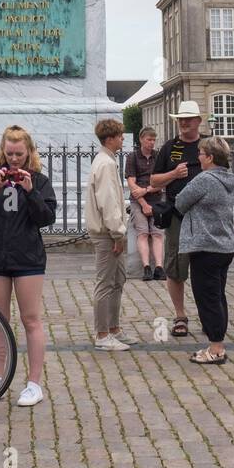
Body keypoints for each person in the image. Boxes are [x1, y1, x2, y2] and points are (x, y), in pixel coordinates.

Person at [0, 124, 57, 407]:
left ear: (29, 152)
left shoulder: (40, 180)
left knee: (31, 320)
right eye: (9, 153)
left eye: (19, 153)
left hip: (28, 258)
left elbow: (47, 218)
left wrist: (31, 191)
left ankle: (34, 384)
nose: (14, 159)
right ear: (2, 151)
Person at [173, 136, 234, 365]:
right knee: (218, 296)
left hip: (206, 245)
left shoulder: (205, 179)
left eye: (201, 153)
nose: (198, 157)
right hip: (224, 245)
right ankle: (215, 344)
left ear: (210, 157)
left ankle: (216, 349)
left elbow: (180, 202)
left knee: (207, 298)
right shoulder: (228, 178)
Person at [148, 101, 204, 338]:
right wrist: (173, 174)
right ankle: (180, 315)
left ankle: (208, 315)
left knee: (204, 269)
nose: (184, 122)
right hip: (177, 216)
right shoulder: (170, 148)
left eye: (189, 118)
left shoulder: (208, 145)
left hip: (204, 216)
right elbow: (153, 182)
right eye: (181, 118)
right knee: (175, 268)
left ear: (199, 121)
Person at [85, 118, 132, 351]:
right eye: (121, 135)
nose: (123, 139)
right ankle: (102, 334)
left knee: (117, 280)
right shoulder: (105, 164)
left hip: (111, 232)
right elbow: (108, 201)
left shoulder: (107, 161)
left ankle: (113, 328)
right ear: (111, 138)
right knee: (105, 283)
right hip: (107, 233)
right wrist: (117, 233)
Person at [124, 126, 165, 281]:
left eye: (153, 140)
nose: (151, 143)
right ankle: (146, 267)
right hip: (138, 201)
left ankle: (159, 267)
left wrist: (146, 190)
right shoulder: (133, 157)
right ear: (141, 139)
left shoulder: (158, 156)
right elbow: (132, 184)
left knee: (157, 233)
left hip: (155, 197)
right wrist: (143, 203)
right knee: (142, 232)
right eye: (149, 139)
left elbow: (163, 181)